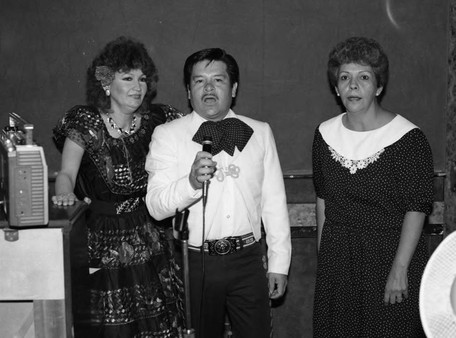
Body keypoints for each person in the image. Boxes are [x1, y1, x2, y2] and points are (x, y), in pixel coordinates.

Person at [145, 48, 292, 338]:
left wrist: (280, 262)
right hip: (196, 262)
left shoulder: (260, 132)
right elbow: (155, 206)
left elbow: (274, 203)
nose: (209, 88)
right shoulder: (168, 134)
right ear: (188, 91)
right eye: (199, 81)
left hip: (248, 260)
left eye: (218, 80)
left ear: (234, 88)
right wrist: (191, 184)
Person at [52, 36, 184, 337]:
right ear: (107, 84)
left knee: (158, 321)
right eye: (128, 78)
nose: (138, 86)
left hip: (149, 233)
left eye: (142, 78)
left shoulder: (158, 121)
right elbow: (66, 174)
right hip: (101, 236)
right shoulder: (85, 122)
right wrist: (63, 192)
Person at [312, 37, 434, 337]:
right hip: (338, 258)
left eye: (363, 77)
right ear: (336, 88)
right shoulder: (324, 134)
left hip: (389, 258)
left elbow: (416, 209)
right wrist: (324, 258)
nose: (353, 86)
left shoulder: (408, 139)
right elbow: (322, 201)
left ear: (378, 87)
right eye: (345, 78)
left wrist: (400, 269)